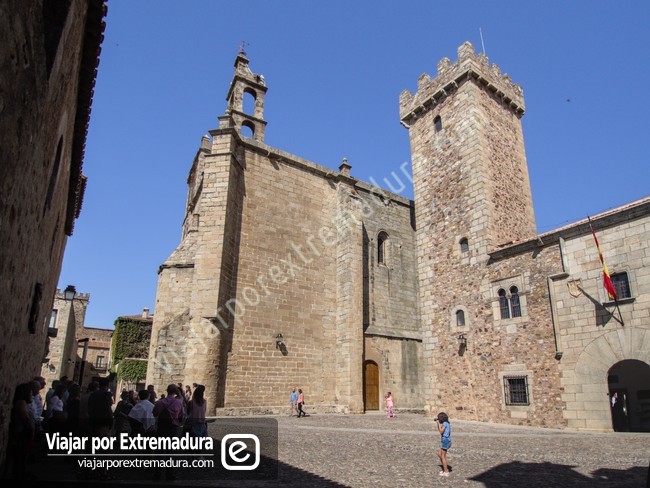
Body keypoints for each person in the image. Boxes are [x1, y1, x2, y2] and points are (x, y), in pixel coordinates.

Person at [152, 385, 184, 480]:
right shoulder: (178, 402)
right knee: (171, 452)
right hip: (172, 428)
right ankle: (169, 474)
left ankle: (157, 474)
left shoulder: (160, 402)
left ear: (167, 391)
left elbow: (154, 413)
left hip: (161, 428)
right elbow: (181, 415)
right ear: (175, 392)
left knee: (159, 452)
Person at [8, 383, 36, 479]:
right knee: (20, 455)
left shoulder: (22, 403)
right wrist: (31, 429)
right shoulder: (21, 403)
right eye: (30, 392)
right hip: (21, 433)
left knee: (22, 455)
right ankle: (19, 475)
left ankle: (21, 472)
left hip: (22, 432)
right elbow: (25, 419)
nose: (31, 395)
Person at [436, 412, 451, 477]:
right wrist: (438, 423)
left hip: (446, 441)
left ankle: (446, 471)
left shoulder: (445, 423)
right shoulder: (446, 423)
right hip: (444, 441)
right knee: (439, 454)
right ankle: (445, 468)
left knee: (443, 456)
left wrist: (439, 424)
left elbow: (441, 431)